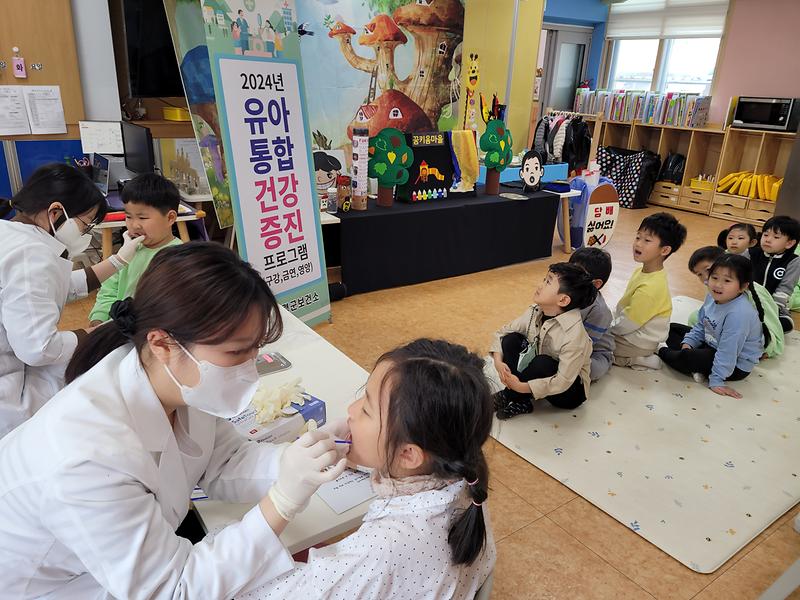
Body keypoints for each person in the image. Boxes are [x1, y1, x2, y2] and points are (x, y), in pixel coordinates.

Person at [0, 242, 347, 598]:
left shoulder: (177, 380)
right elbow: (173, 590)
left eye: (255, 348)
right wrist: (281, 504)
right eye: (236, 352)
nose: (251, 366)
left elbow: (222, 460)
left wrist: (300, 458)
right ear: (163, 343)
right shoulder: (85, 458)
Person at [238, 339, 496, 599]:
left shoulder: (380, 550)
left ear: (408, 454)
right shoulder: (464, 476)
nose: (351, 410)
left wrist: (279, 502)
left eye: (367, 410)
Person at [0, 163, 143, 437]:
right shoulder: (31, 256)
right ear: (55, 212)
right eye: (85, 224)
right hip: (9, 393)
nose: (87, 232)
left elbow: (57, 285)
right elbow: (38, 348)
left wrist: (119, 259)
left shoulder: (12, 235)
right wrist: (97, 333)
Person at [491, 263, 597, 420]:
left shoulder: (574, 336)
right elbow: (503, 332)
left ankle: (511, 395)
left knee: (543, 363)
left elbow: (562, 382)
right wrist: (498, 362)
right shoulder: (536, 309)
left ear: (563, 300)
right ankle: (523, 399)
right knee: (510, 340)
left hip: (569, 392)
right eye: (544, 279)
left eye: (548, 282)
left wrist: (521, 387)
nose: (540, 285)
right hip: (539, 372)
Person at [658, 254, 763, 398]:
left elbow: (729, 351)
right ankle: (697, 366)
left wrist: (717, 381)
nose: (718, 285)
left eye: (727, 280)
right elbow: (702, 325)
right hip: (712, 345)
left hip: (735, 364)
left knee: (687, 358)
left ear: (743, 286)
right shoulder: (713, 296)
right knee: (672, 329)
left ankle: (661, 351)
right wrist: (689, 343)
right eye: (714, 278)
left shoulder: (739, 314)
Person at [89, 173, 182, 325]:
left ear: (170, 218)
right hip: (117, 326)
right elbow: (109, 289)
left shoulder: (179, 258)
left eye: (143, 218)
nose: (134, 225)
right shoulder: (129, 250)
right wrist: (98, 317)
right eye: (128, 217)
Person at [675, 246, 782, 358]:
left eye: (708, 270)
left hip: (745, 337)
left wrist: (769, 349)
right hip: (723, 335)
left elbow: (772, 321)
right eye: (699, 274)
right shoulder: (714, 286)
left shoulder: (755, 292)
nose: (706, 277)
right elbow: (709, 315)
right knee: (693, 318)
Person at [611, 212, 687, 370]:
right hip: (633, 331)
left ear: (664, 250)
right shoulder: (643, 272)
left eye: (647, 240)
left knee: (598, 347)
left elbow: (629, 323)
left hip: (638, 341)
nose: (638, 244)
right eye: (638, 237)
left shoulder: (651, 287)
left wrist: (609, 328)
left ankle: (638, 359)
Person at [569, 247, 614, 381]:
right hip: (567, 344)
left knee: (585, 370)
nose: (568, 277)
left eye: (577, 274)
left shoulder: (599, 311)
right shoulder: (567, 292)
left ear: (596, 284)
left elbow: (585, 345)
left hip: (595, 353)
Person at [748, 215, 800, 332]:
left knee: (786, 324)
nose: (767, 239)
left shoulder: (793, 261)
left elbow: (785, 288)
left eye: (776, 237)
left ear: (789, 243)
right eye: (765, 235)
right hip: (749, 300)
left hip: (774, 305)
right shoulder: (752, 253)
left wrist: (772, 310)